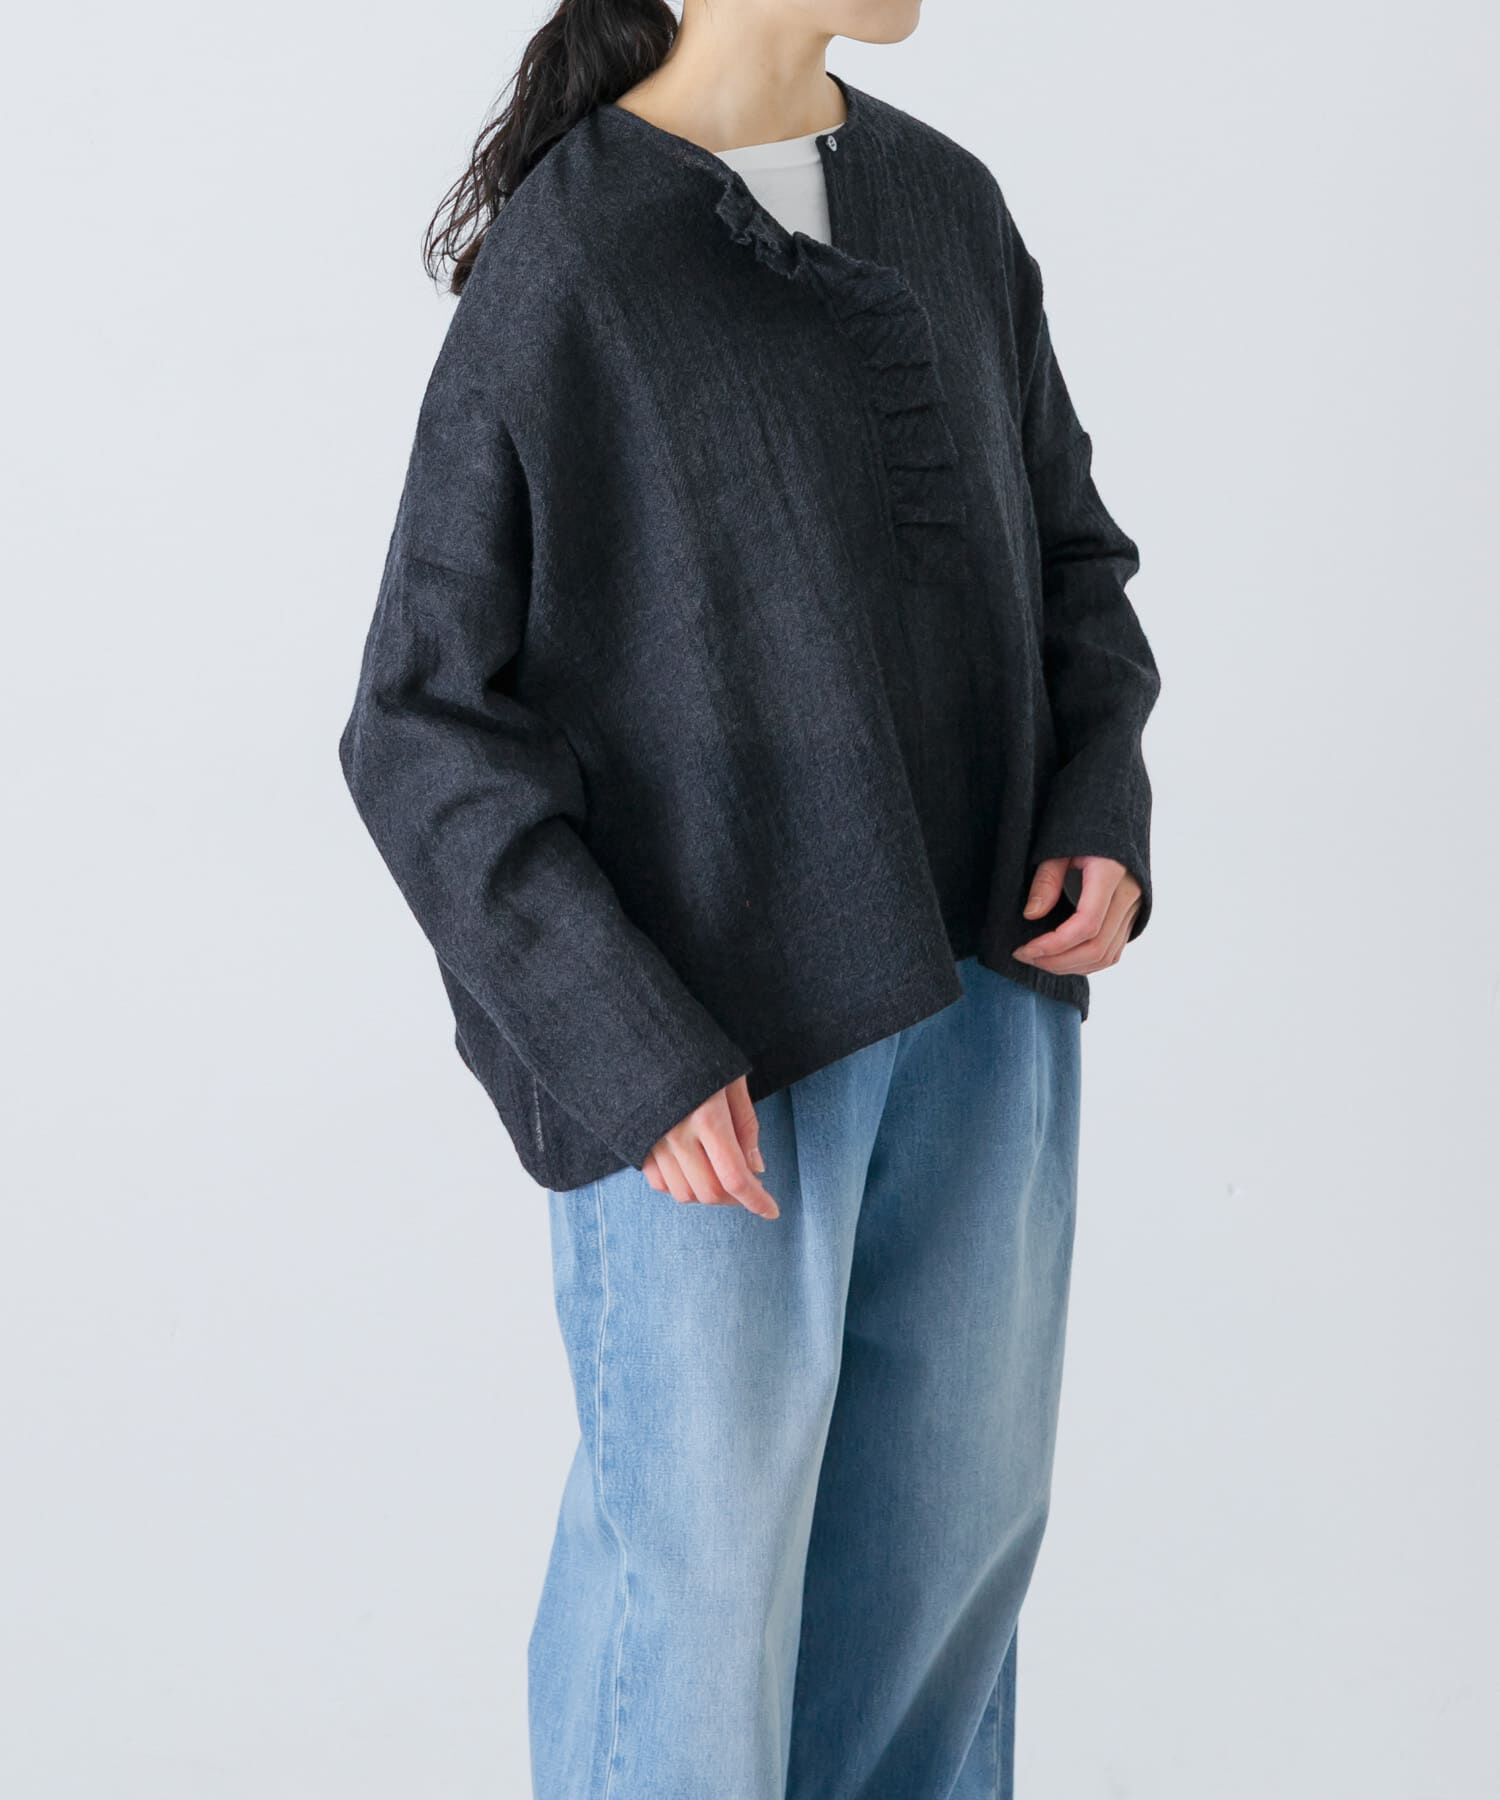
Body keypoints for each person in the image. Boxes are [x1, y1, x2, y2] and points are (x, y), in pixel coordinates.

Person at [339, 0, 1161, 1791]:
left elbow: (1073, 559)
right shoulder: (576, 257)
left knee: (948, 1569)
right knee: (699, 1608)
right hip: (718, 1061)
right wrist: (624, 1047)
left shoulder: (948, 205)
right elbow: (419, 722)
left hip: (989, 1005)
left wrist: (1101, 801)